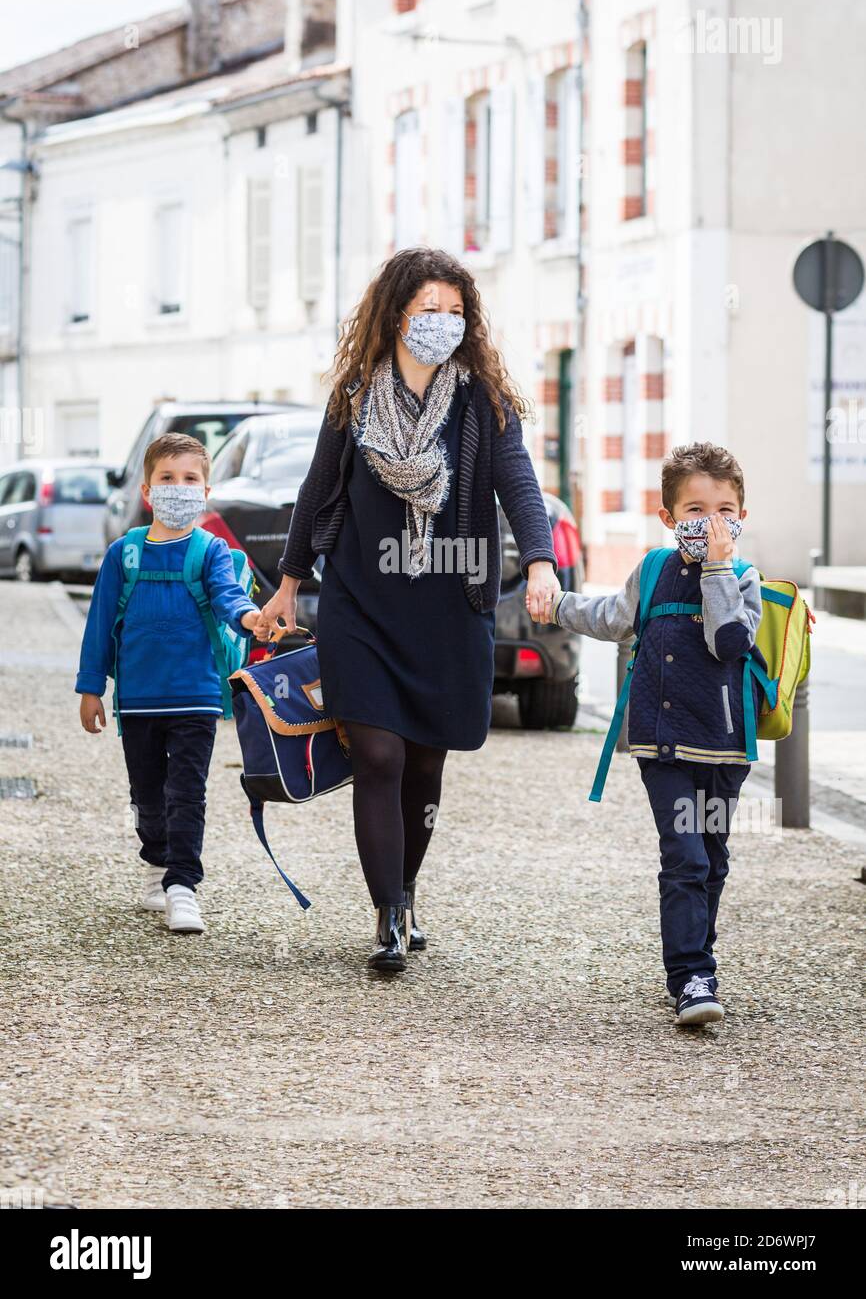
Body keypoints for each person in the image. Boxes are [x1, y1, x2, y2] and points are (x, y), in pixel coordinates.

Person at [255, 247, 560, 973]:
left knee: (426, 764)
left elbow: (517, 482)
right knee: (381, 756)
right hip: (362, 606)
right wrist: (290, 584)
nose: (443, 324)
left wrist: (541, 560)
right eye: (430, 309)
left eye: (455, 313)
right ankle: (388, 914)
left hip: (451, 605)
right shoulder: (355, 397)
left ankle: (408, 888)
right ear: (397, 314)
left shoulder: (483, 401)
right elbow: (316, 489)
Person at [545, 442, 763, 1026]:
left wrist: (717, 568)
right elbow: (612, 617)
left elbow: (729, 641)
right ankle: (691, 975)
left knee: (712, 858)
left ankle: (700, 960)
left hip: (723, 745)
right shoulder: (653, 569)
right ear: (668, 518)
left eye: (724, 509)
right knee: (685, 855)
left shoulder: (743, 579)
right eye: (695, 510)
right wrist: (558, 605)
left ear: (742, 515)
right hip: (663, 743)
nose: (711, 522)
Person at [75, 433, 261, 935]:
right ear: (146, 490)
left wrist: (250, 617)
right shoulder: (124, 554)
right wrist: (92, 687)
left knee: (187, 792)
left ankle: (183, 885)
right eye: (167, 478)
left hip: (196, 696)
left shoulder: (211, 551)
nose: (179, 488)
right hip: (137, 701)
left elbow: (228, 597)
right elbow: (99, 624)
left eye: (190, 479)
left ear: (206, 490)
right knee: (147, 795)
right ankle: (158, 861)